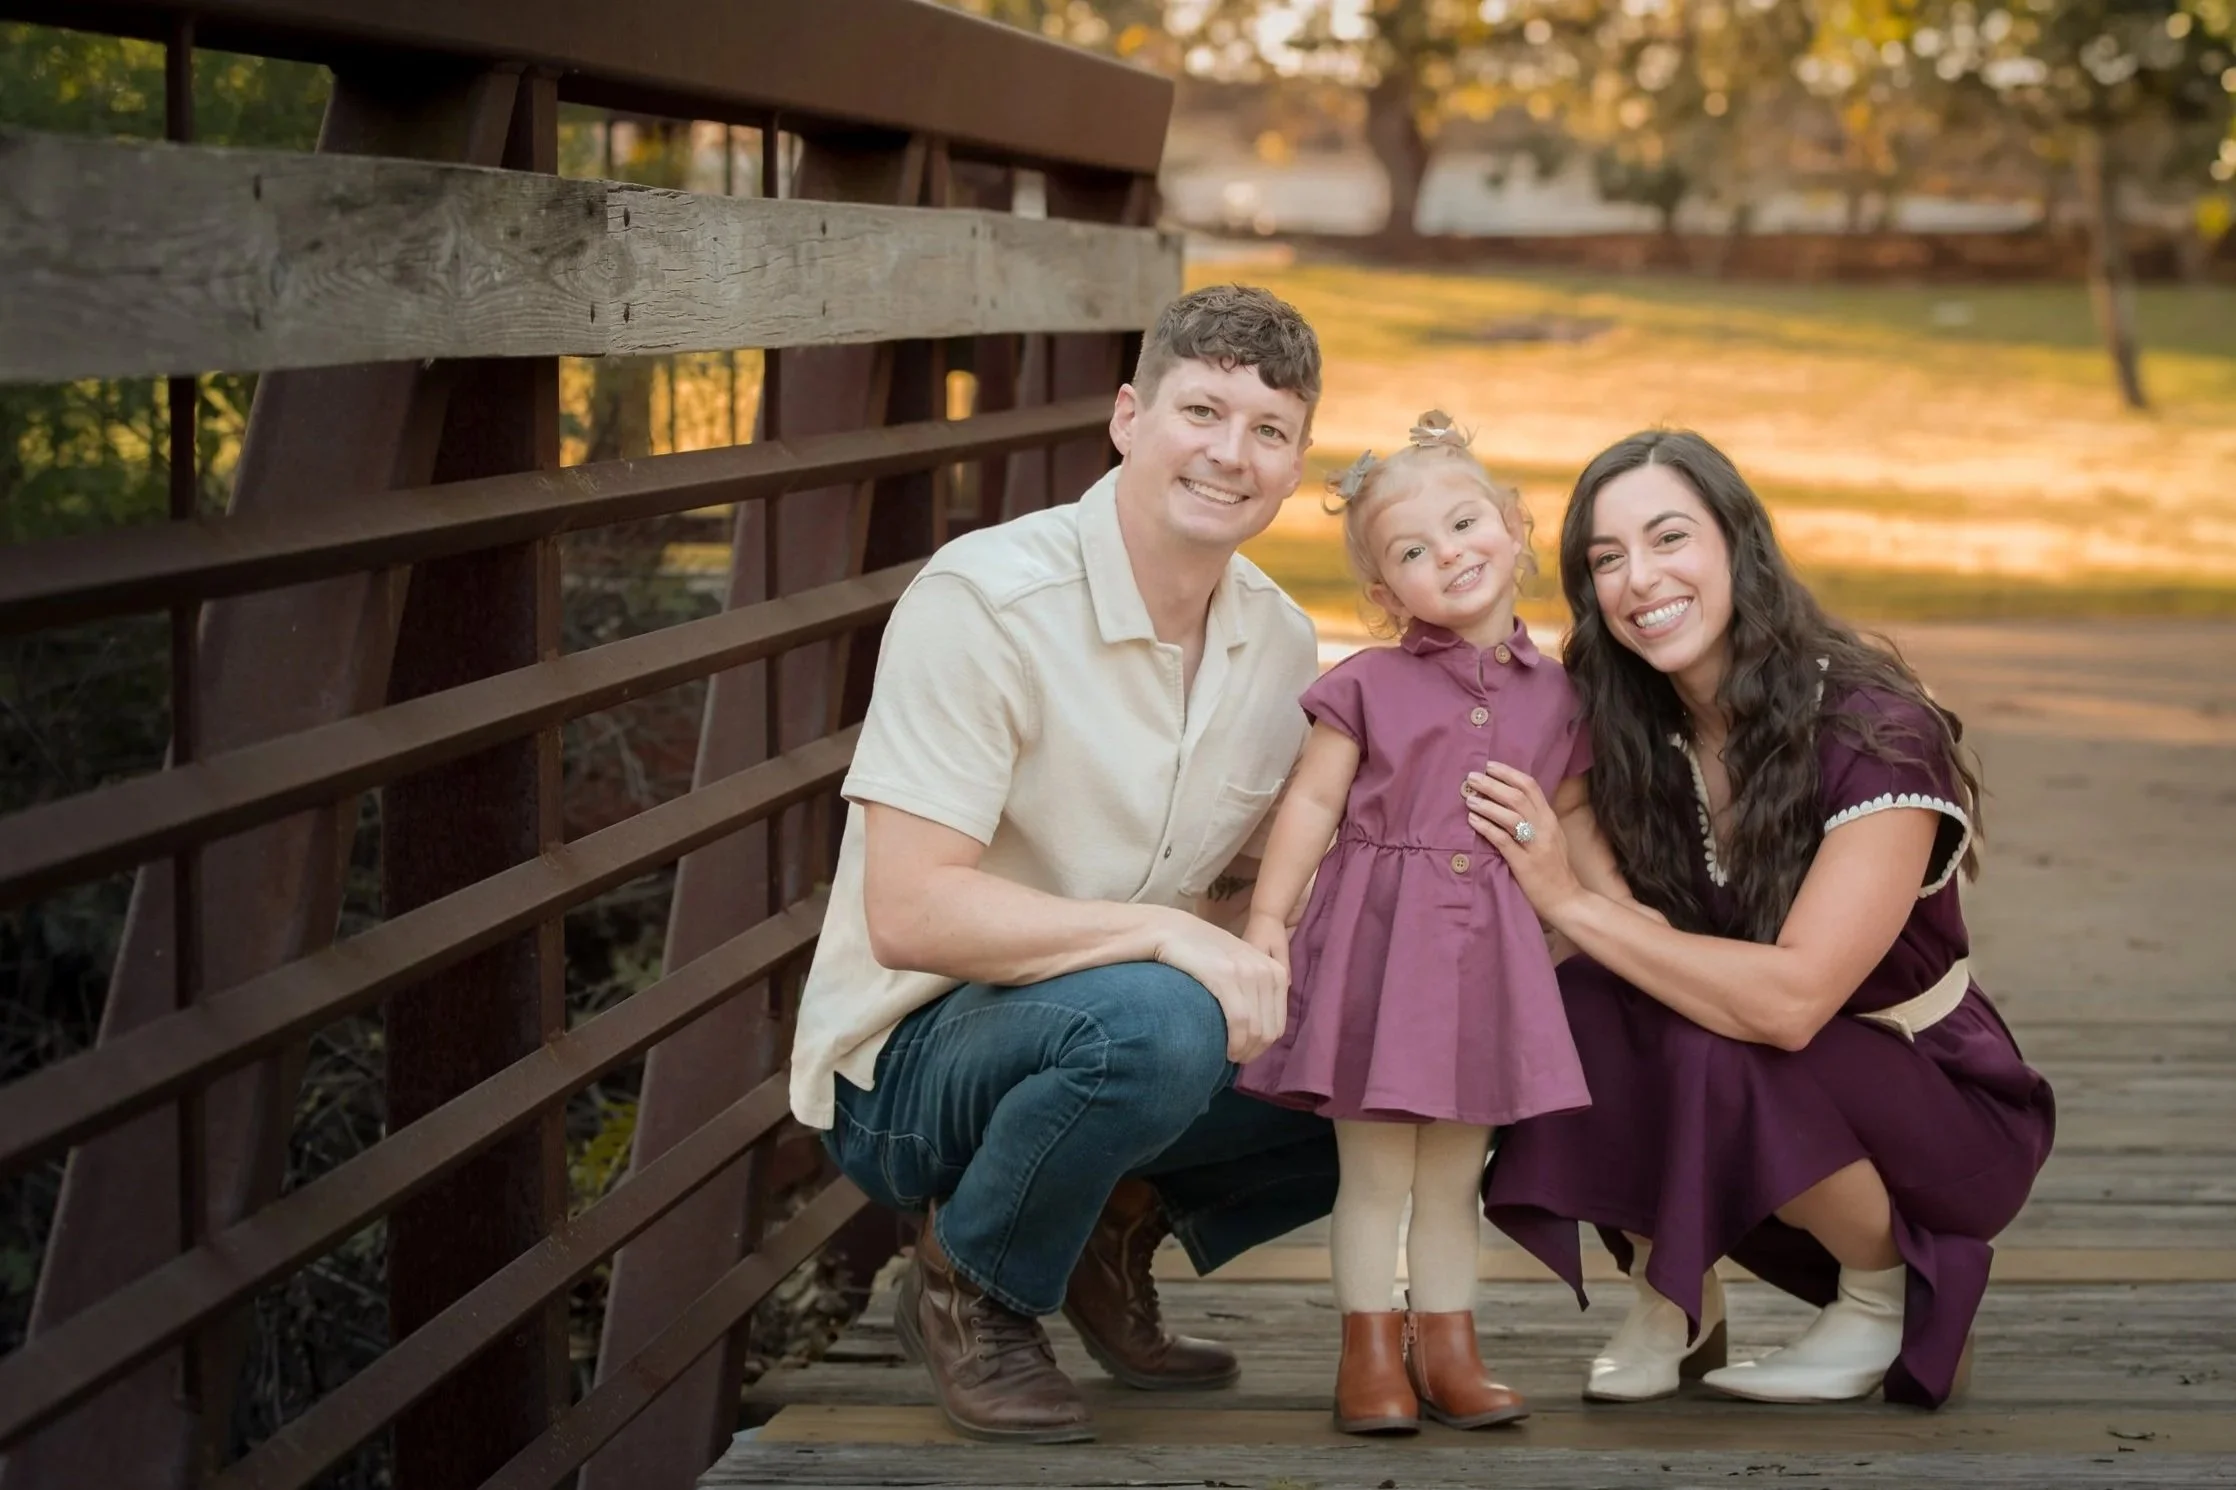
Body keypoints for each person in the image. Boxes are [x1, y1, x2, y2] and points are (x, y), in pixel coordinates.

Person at [786, 285, 1341, 1445]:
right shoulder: (984, 601)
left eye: (1268, 430)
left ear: (1296, 464)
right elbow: (910, 909)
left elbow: (1252, 882)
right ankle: (968, 1281)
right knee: (1157, 1014)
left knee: (1420, 1023)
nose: (1229, 454)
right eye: (1201, 410)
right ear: (1128, 415)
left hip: (1118, 1023)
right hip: (912, 1062)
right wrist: (1168, 931)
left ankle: (1103, 1219)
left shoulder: (1280, 641)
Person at [1462, 430, 2056, 1409]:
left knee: (1710, 1034)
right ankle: (1672, 1297)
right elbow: (1609, 930)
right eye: (1604, 559)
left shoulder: (1875, 730)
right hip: (1758, 1101)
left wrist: (1561, 894)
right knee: (1585, 999)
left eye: (1667, 537)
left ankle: (1880, 1294)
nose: (1638, 577)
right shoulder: (1631, 727)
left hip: (1934, 1106)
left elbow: (1788, 1003)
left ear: (1740, 544)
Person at [1233, 413, 1633, 1434]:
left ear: (1513, 526)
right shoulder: (1366, 685)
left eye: (1463, 523)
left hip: (1487, 956)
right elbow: (1313, 806)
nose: (1447, 552)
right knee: (1373, 1171)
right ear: (1384, 593)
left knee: (1455, 1172)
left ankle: (1449, 1347)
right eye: (1412, 550)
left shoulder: (1561, 696)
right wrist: (1270, 916)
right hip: (1378, 948)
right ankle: (1369, 1351)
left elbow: (1574, 814)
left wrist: (1616, 921)